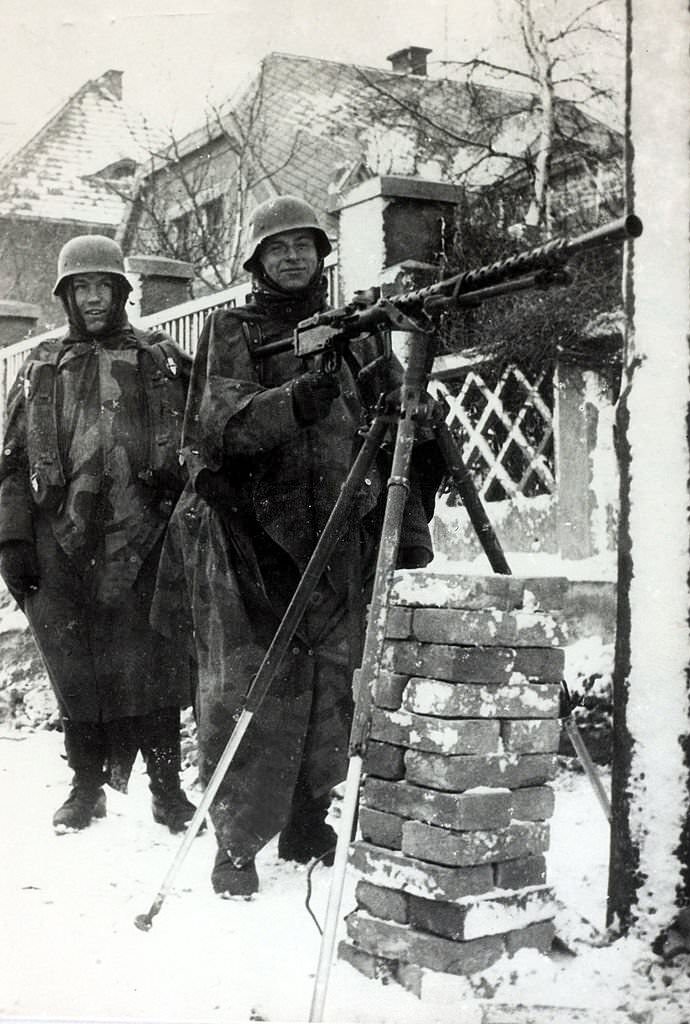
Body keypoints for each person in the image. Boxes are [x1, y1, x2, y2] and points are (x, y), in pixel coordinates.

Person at [152, 195, 440, 896]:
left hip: (339, 531)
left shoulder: (356, 330)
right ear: (255, 260)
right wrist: (291, 404)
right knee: (247, 691)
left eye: (303, 246)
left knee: (331, 688)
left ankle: (310, 817)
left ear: (320, 255)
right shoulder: (232, 328)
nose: (291, 257)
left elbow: (398, 410)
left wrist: (416, 412)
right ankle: (238, 842)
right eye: (276, 248)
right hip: (252, 537)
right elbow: (216, 426)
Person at [0, 234, 199, 834]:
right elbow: (10, 461)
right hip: (60, 541)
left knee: (155, 666)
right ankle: (86, 787)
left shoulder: (159, 357)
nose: (92, 298)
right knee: (74, 668)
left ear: (121, 292)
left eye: (103, 286)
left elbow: (203, 434)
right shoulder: (38, 367)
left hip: (147, 536)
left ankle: (168, 791)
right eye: (80, 287)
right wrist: (12, 542)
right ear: (65, 297)